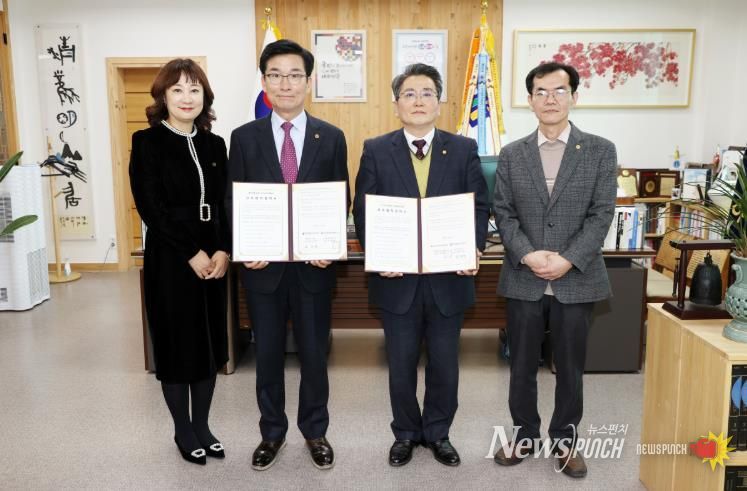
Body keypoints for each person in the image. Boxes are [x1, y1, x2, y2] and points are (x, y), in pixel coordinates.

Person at [353, 63, 489, 467]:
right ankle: (406, 434)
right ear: (397, 104)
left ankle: (438, 433)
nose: (418, 101)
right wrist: (379, 254)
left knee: (445, 364)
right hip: (397, 279)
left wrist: (473, 247)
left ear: (439, 103)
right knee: (400, 365)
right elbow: (363, 208)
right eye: (409, 94)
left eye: (427, 93)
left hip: (449, 277)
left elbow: (479, 205)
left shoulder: (463, 148)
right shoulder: (376, 149)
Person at [225, 39, 349, 471]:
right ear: (264, 82)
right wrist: (245, 247)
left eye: (295, 75)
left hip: (314, 268)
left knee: (314, 355)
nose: (286, 83)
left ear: (308, 82)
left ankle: (315, 431)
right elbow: (233, 199)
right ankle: (271, 433)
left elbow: (340, 197)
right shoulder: (243, 137)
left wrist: (330, 244)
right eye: (275, 75)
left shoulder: (331, 137)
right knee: (268, 356)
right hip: (264, 268)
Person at [492, 62, 617, 478]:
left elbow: (601, 214)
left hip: (576, 277)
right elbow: (503, 213)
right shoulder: (512, 154)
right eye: (541, 92)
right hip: (523, 277)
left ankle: (565, 439)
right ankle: (524, 435)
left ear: (574, 97)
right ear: (530, 100)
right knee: (521, 366)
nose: (550, 99)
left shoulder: (600, 150)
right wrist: (528, 255)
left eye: (559, 91)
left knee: (570, 367)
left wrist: (568, 258)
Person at [129, 58, 230, 466]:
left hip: (213, 254)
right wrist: (191, 252)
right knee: (177, 344)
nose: (187, 97)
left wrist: (223, 249)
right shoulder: (147, 142)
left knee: (208, 342)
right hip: (171, 256)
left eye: (194, 89)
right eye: (177, 89)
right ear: (163, 96)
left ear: (205, 96)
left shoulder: (215, 144)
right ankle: (182, 429)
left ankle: (202, 425)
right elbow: (151, 207)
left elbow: (224, 203)